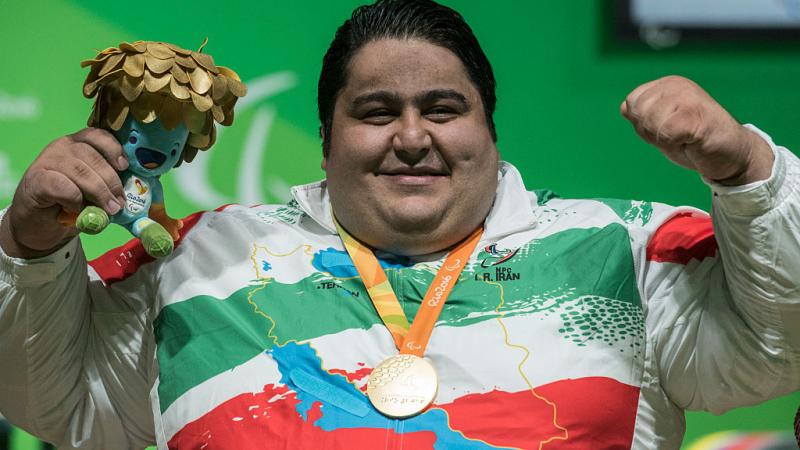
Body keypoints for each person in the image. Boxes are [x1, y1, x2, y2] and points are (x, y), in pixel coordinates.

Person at [0, 0, 797, 449]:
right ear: (325, 140)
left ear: (490, 129)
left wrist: (746, 170)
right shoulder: (199, 260)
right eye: (376, 112)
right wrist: (27, 246)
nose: (412, 136)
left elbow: (773, 353)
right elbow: (61, 405)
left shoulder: (621, 245)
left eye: (443, 109)